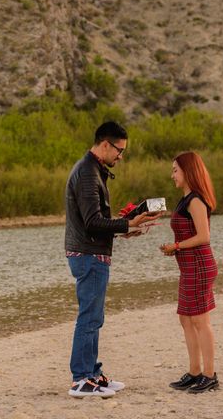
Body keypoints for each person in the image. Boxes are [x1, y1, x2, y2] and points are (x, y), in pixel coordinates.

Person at [65, 121, 161, 398]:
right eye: (119, 150)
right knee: (90, 317)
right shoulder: (86, 173)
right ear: (105, 145)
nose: (121, 156)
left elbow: (94, 223)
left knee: (95, 316)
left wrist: (127, 229)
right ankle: (81, 379)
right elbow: (93, 222)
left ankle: (92, 374)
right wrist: (128, 223)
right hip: (87, 254)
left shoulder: (94, 171)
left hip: (92, 251)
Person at [159, 151, 219, 393]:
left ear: (188, 171)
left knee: (200, 320)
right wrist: (175, 249)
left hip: (199, 266)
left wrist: (177, 246)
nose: (172, 174)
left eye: (175, 170)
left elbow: (204, 236)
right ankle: (194, 372)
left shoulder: (195, 200)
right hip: (189, 266)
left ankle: (210, 375)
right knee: (186, 319)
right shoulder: (185, 200)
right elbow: (188, 235)